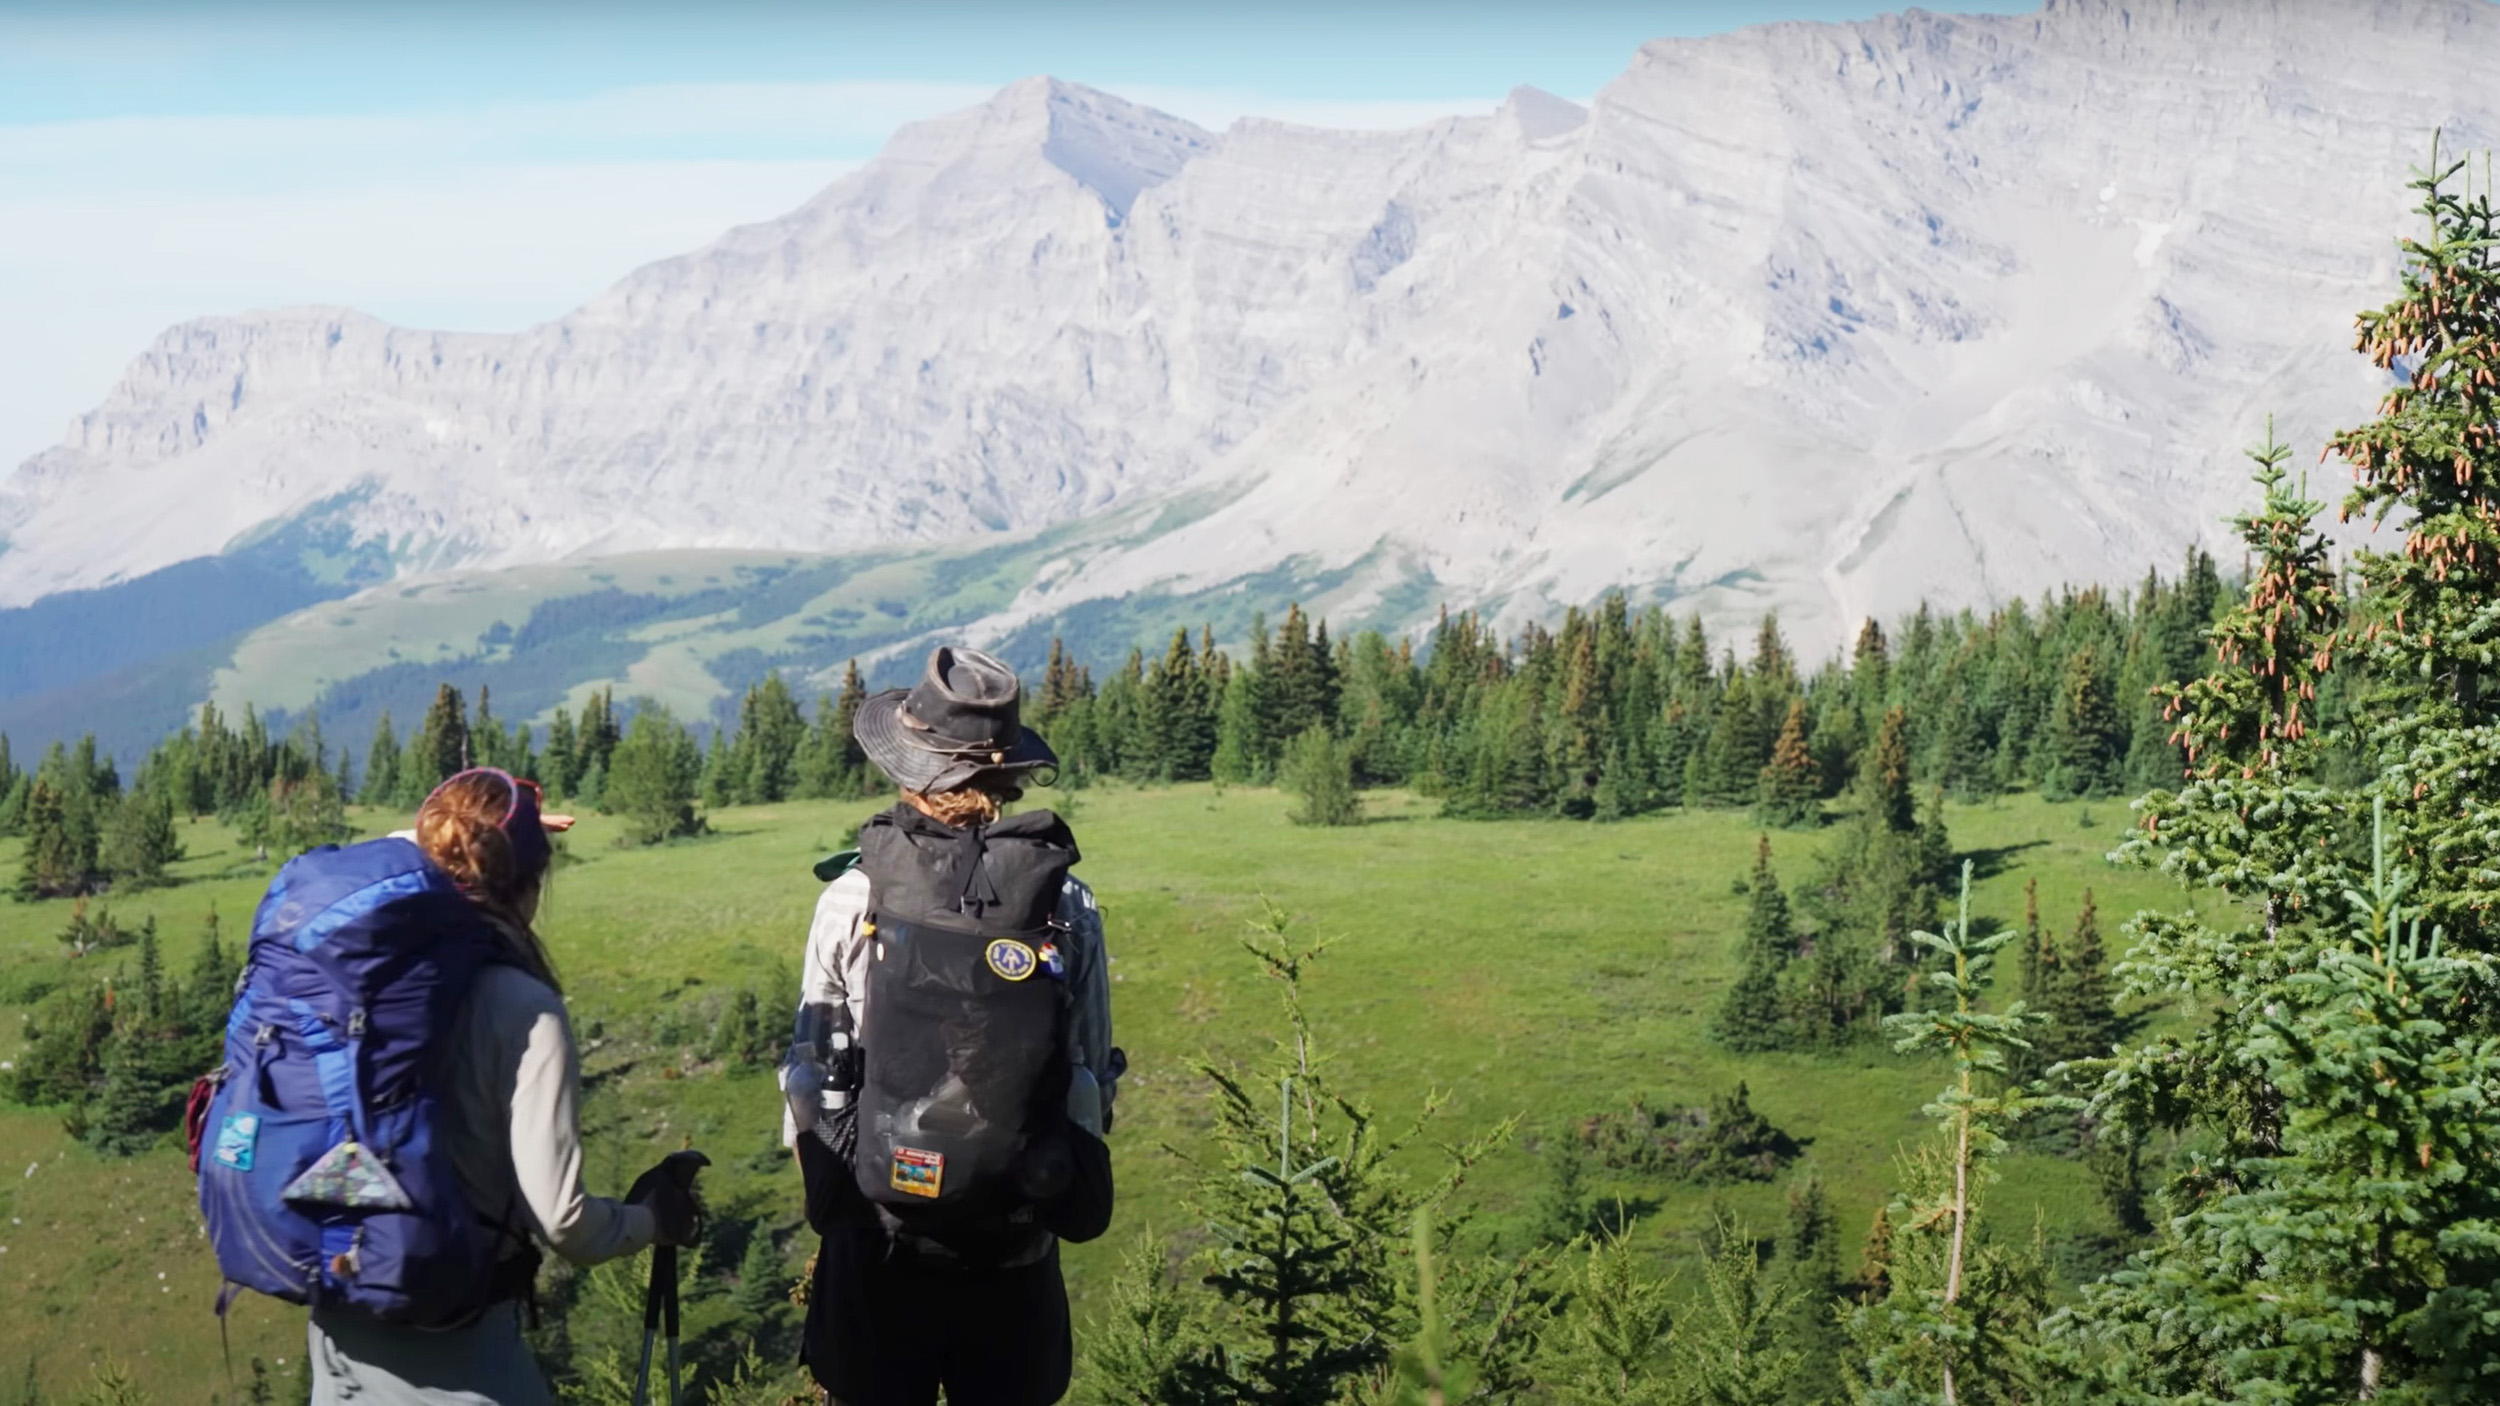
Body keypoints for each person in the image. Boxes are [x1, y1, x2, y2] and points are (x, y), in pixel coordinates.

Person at [780, 647, 1119, 1406]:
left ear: (910, 769)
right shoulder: (1068, 906)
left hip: (879, 1245)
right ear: (1009, 776)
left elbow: (809, 1071)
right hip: (1014, 1249)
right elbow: (1091, 1073)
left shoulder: (852, 899)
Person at [307, 768, 706, 1403]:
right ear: (530, 884)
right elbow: (564, 1223)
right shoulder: (522, 1007)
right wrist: (651, 1221)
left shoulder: (361, 969)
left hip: (339, 1335)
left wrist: (484, 831)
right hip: (460, 1349)